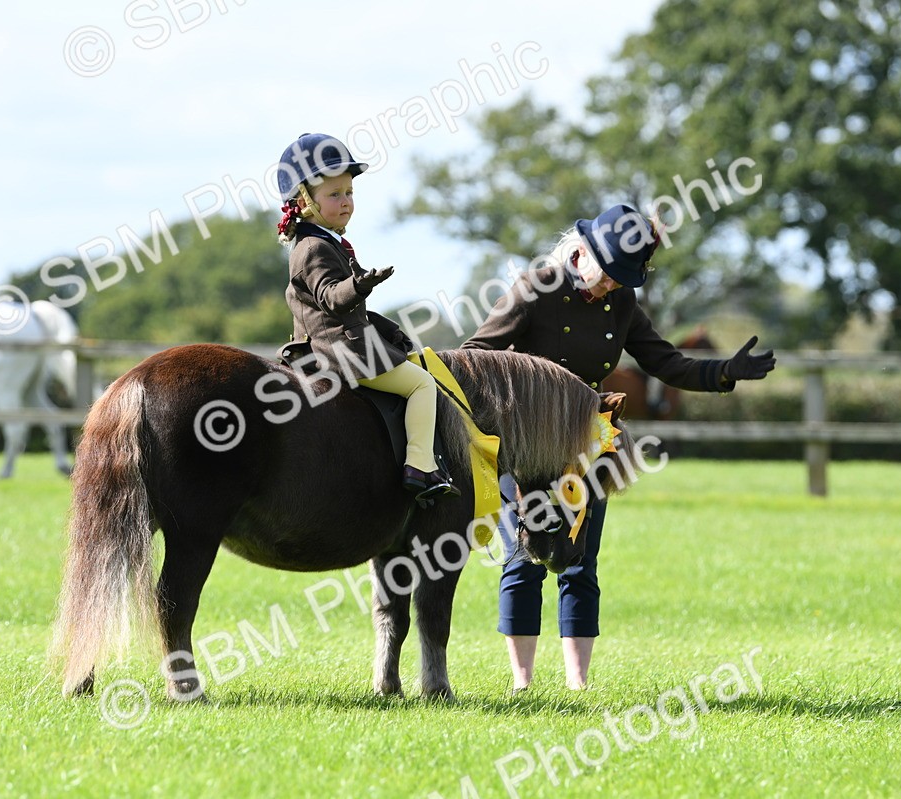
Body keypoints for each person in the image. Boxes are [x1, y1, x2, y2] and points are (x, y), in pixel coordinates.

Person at [463, 204, 776, 691]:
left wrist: (723, 372)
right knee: (524, 559)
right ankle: (522, 683)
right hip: (525, 444)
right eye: (607, 274)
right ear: (580, 251)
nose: (611, 285)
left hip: (587, 442)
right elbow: (475, 356)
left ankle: (578, 685)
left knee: (580, 561)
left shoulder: (622, 302)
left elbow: (665, 362)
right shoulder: (534, 288)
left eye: (621, 278)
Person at [276, 133, 458, 502]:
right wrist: (358, 285)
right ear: (304, 201)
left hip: (333, 345)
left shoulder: (324, 241)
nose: (346, 202)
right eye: (334, 194)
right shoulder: (313, 248)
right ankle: (421, 466)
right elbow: (332, 299)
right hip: (340, 352)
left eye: (349, 193)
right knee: (423, 385)